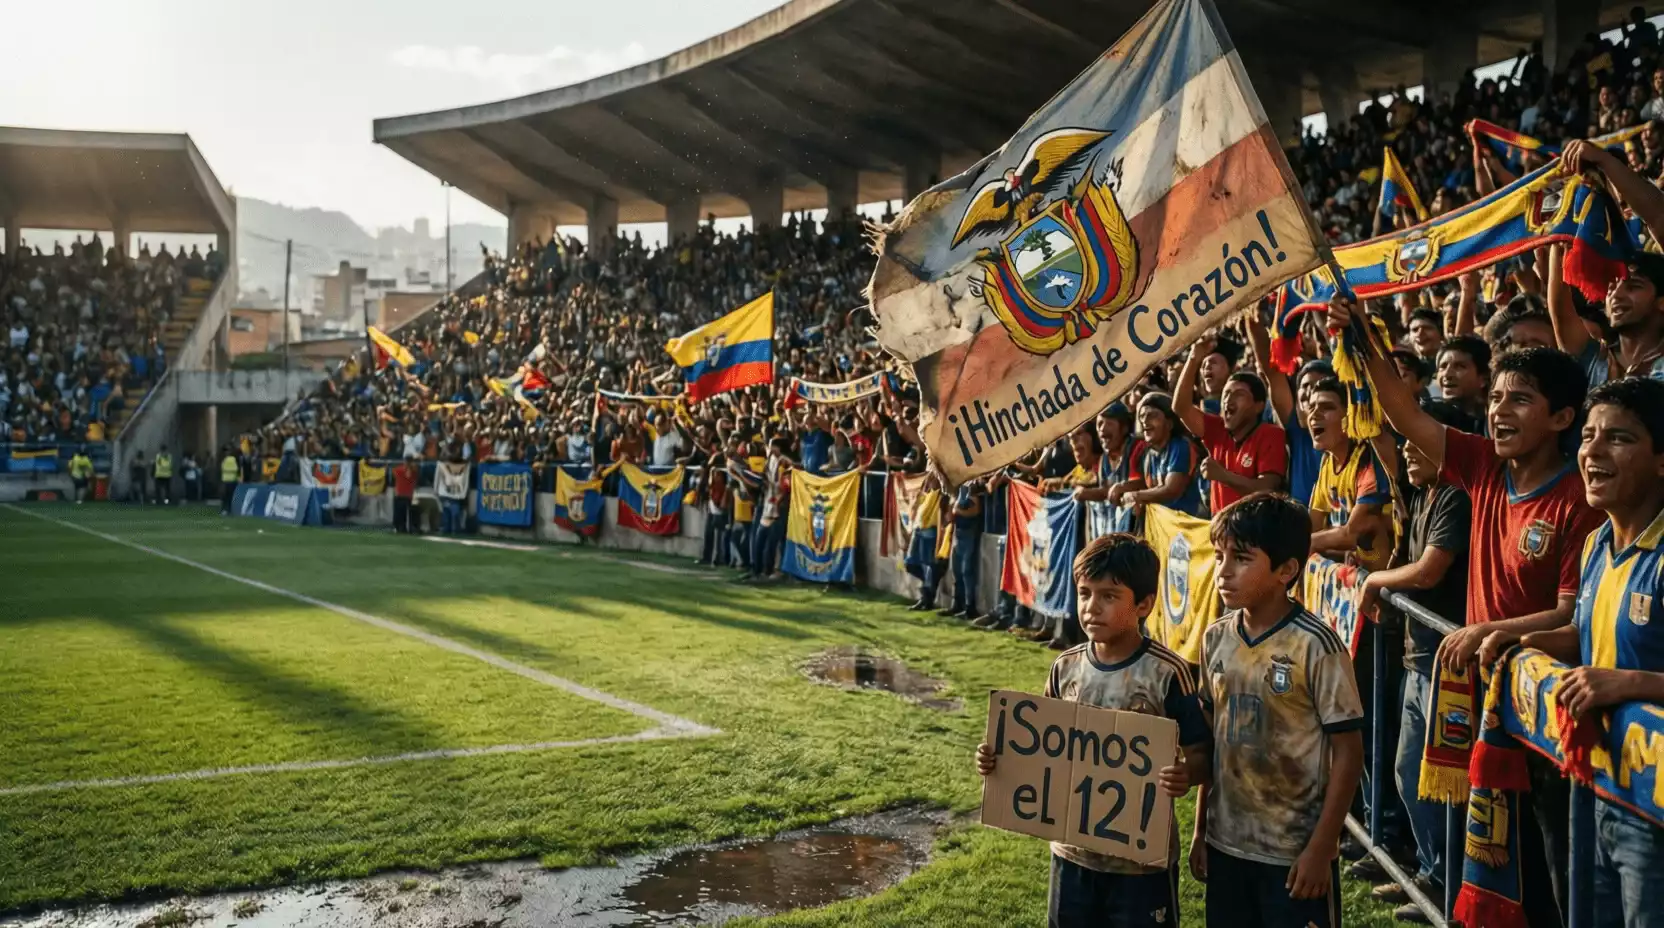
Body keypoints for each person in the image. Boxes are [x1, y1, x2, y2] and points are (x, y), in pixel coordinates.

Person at [1328, 296, 1604, 927]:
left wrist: (1490, 630)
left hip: (1544, 714)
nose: (1501, 411)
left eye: (1521, 400)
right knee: (1489, 852)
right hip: (1485, 699)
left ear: (1563, 416)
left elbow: (1571, 617)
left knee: (1546, 870)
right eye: (1498, 398)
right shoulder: (1482, 466)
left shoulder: (1576, 500)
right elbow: (1401, 411)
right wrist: (1363, 336)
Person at [975, 533, 1210, 928]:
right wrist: (997, 759)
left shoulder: (1167, 674)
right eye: (1084, 593)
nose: (1090, 607)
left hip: (1140, 864)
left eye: (1108, 596)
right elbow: (1038, 749)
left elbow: (1203, 754)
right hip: (1072, 856)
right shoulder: (1065, 668)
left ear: (1144, 604)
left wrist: (1187, 774)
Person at [1515, 377, 1664, 928]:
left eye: (1619, 439)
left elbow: (1615, 670)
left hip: (1655, 808)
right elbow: (1585, 631)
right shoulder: (1597, 540)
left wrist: (1629, 683)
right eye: (1590, 436)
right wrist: (1520, 648)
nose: (1594, 452)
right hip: (1599, 785)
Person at [1192, 493, 1364, 928]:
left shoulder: (1316, 646)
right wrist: (1200, 831)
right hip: (1227, 845)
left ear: (1287, 570)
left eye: (1242, 558)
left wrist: (1322, 848)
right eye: (1219, 556)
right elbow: (1211, 740)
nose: (1224, 570)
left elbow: (1348, 752)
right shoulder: (1215, 640)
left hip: (1293, 855)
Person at [1357, 406, 1473, 922]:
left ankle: (1451, 887)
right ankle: (1430, 875)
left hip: (1447, 664)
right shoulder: (1421, 495)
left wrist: (1378, 581)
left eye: (1414, 441)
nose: (1404, 449)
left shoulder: (1453, 496)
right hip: (1418, 655)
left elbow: (1428, 572)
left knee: (1447, 785)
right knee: (1408, 773)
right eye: (1402, 442)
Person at [1174, 338, 1288, 514]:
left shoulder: (1271, 434)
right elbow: (1181, 407)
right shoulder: (1217, 430)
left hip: (1254, 537)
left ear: (1258, 406)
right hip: (1221, 536)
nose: (1229, 400)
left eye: (1239, 394)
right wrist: (1194, 358)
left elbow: (1266, 490)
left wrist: (1222, 475)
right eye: (1226, 394)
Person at [1305, 377, 1395, 570]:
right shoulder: (1327, 462)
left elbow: (1352, 533)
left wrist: (1299, 543)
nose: (1314, 415)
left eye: (1327, 407)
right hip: (1352, 577)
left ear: (1349, 417)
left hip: (1386, 582)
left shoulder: (1368, 459)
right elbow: (1312, 526)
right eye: (1311, 407)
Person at [1107, 393, 1203, 518]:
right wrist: (1122, 487)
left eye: (1152, 416)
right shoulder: (1148, 455)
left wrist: (1137, 496)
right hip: (1164, 527)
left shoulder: (1180, 447)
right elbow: (1146, 485)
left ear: (1169, 423)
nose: (1145, 422)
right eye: (1142, 416)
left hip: (1188, 527)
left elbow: (1171, 490)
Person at [944, 478, 985, 620]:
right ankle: (957, 604)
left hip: (970, 532)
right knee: (956, 571)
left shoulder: (972, 486)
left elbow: (975, 510)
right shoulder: (958, 487)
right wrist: (953, 510)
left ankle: (970, 606)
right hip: (958, 532)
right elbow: (951, 504)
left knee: (967, 571)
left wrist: (957, 510)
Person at [393, 455, 419, 534]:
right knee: (405, 513)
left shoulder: (399, 469)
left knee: (402, 513)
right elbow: (410, 476)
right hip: (405, 495)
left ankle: (402, 528)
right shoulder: (412, 471)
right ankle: (406, 528)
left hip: (405, 495)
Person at [219, 445, 240, 515]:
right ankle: (229, 510)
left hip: (225, 481)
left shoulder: (224, 460)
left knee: (224, 497)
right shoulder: (234, 460)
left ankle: (223, 510)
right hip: (232, 480)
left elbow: (222, 469)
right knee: (230, 497)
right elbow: (237, 470)